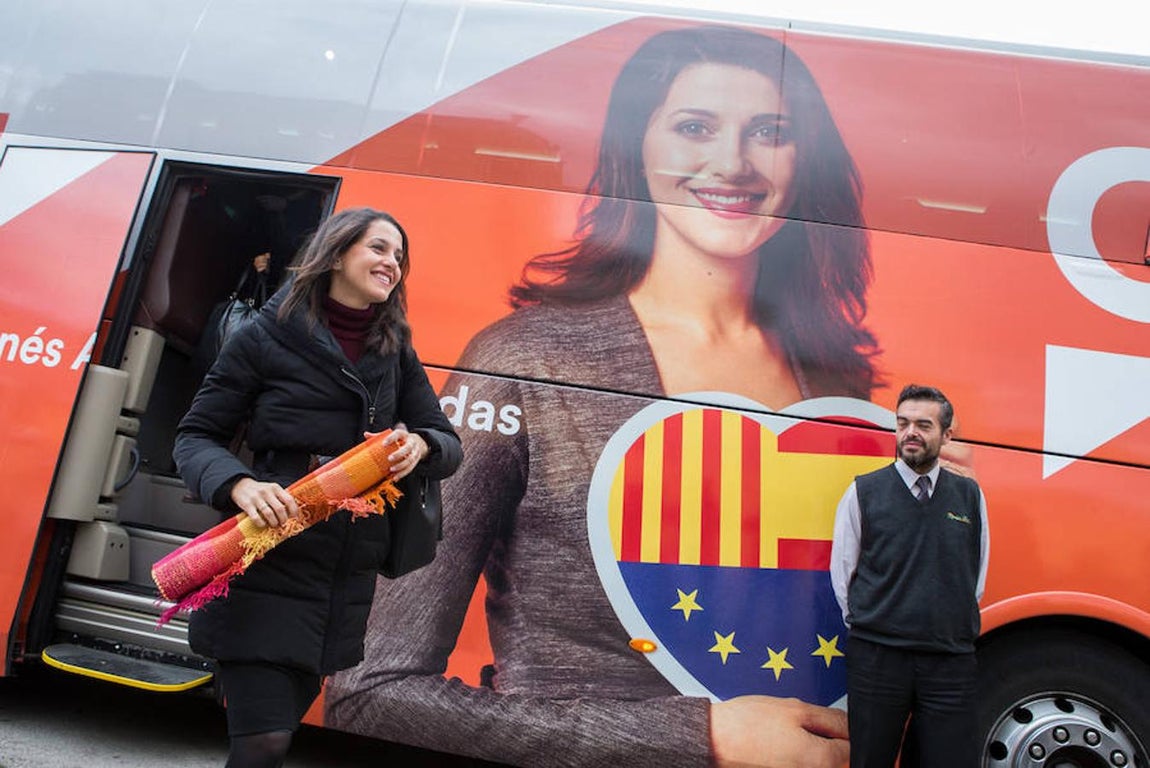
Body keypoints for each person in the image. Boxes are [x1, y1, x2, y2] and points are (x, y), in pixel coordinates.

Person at [327, 24, 876, 767]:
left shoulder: (838, 384)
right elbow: (369, 691)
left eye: (769, 132)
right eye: (694, 126)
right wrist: (698, 737)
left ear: (803, 161)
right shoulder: (523, 359)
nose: (733, 162)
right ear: (636, 150)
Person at [173, 206, 462, 768]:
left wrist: (420, 448)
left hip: (341, 575)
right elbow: (195, 436)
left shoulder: (393, 348)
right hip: (267, 552)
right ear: (335, 254)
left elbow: (446, 442)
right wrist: (238, 485)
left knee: (275, 739)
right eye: (379, 248)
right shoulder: (265, 335)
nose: (392, 263)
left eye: (399, 256)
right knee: (263, 745)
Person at [830, 384, 989, 767]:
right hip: (878, 661)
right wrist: (876, 626)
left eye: (923, 424)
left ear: (946, 435)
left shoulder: (969, 496)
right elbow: (843, 573)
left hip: (949, 663)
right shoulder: (863, 492)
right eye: (903, 423)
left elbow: (975, 577)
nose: (910, 433)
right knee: (870, 759)